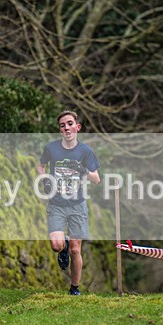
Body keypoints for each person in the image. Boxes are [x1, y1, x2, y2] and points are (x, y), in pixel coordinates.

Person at [37, 111, 100, 295]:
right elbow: (40, 165)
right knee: (57, 246)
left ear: (77, 127)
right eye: (62, 125)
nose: (66, 127)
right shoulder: (51, 148)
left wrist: (82, 170)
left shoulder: (86, 151)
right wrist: (45, 178)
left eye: (70, 123)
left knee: (75, 250)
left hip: (77, 205)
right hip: (56, 204)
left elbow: (96, 179)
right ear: (60, 130)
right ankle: (62, 243)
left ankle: (75, 288)